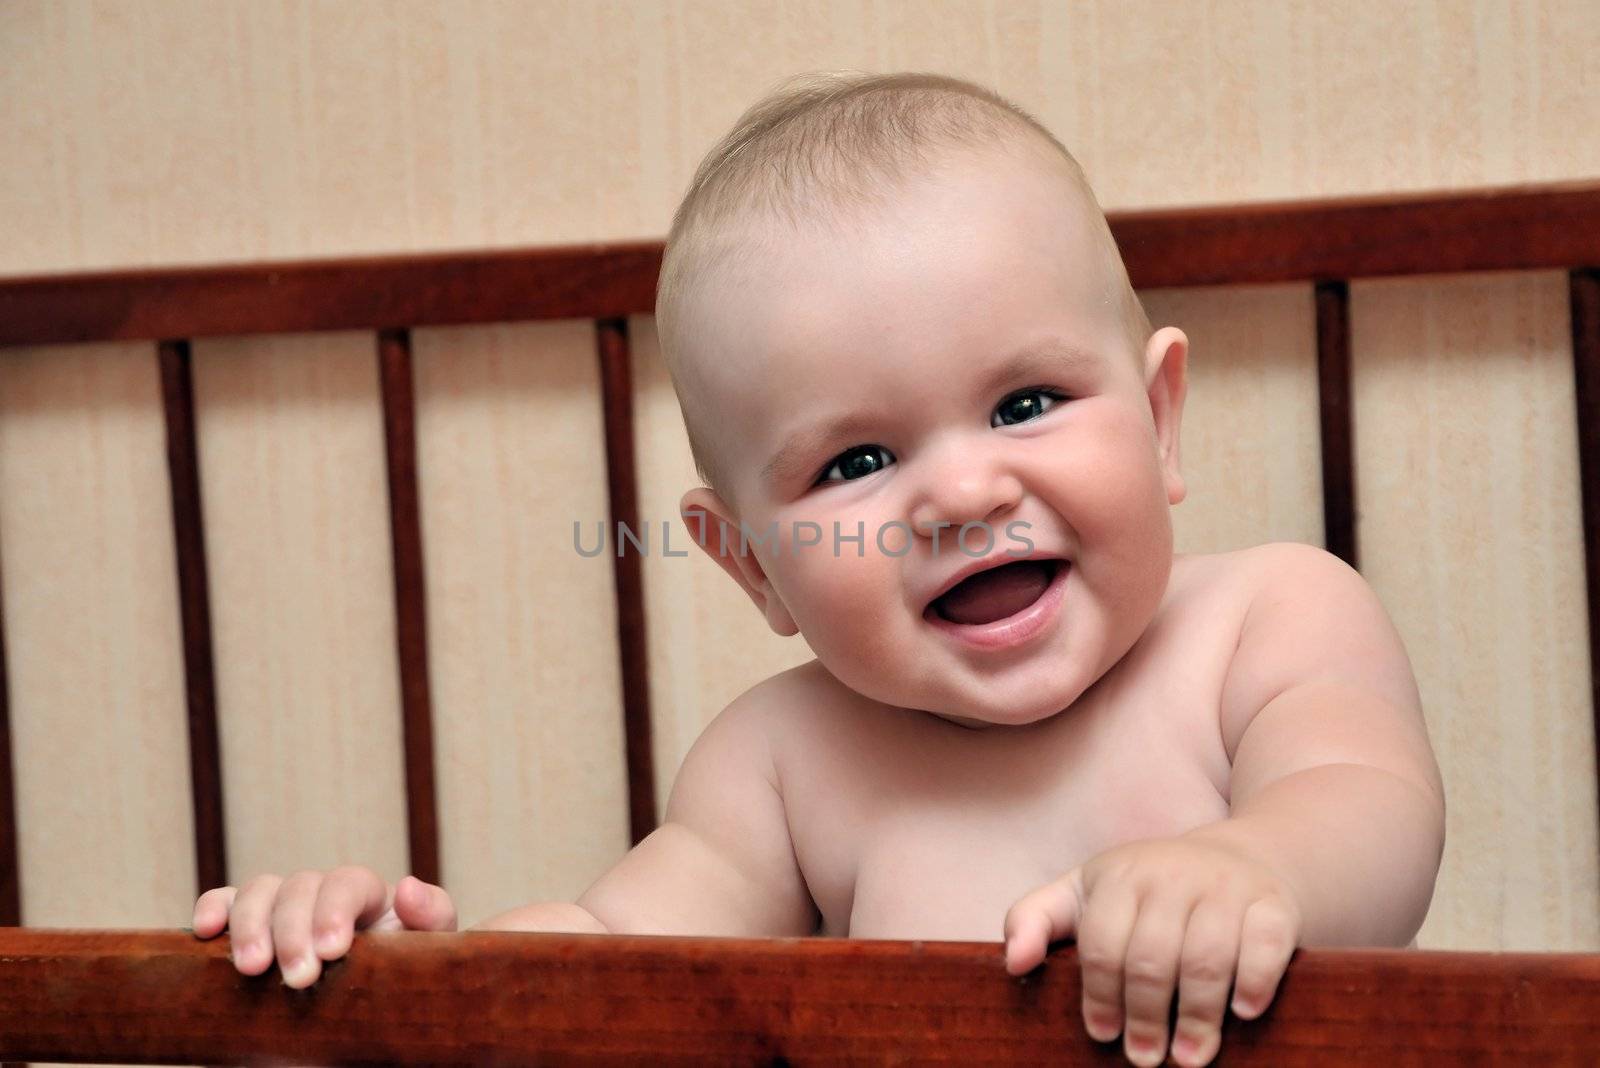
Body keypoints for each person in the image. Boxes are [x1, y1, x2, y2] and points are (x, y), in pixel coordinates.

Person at [193, 71, 1445, 1068]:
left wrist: (1255, 866)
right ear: (753, 570)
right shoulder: (783, 764)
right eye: (854, 463)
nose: (962, 492)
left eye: (1024, 401)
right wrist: (388, 984)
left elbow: (1371, 811)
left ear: (1160, 418)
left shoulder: (1268, 621)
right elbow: (608, 961)